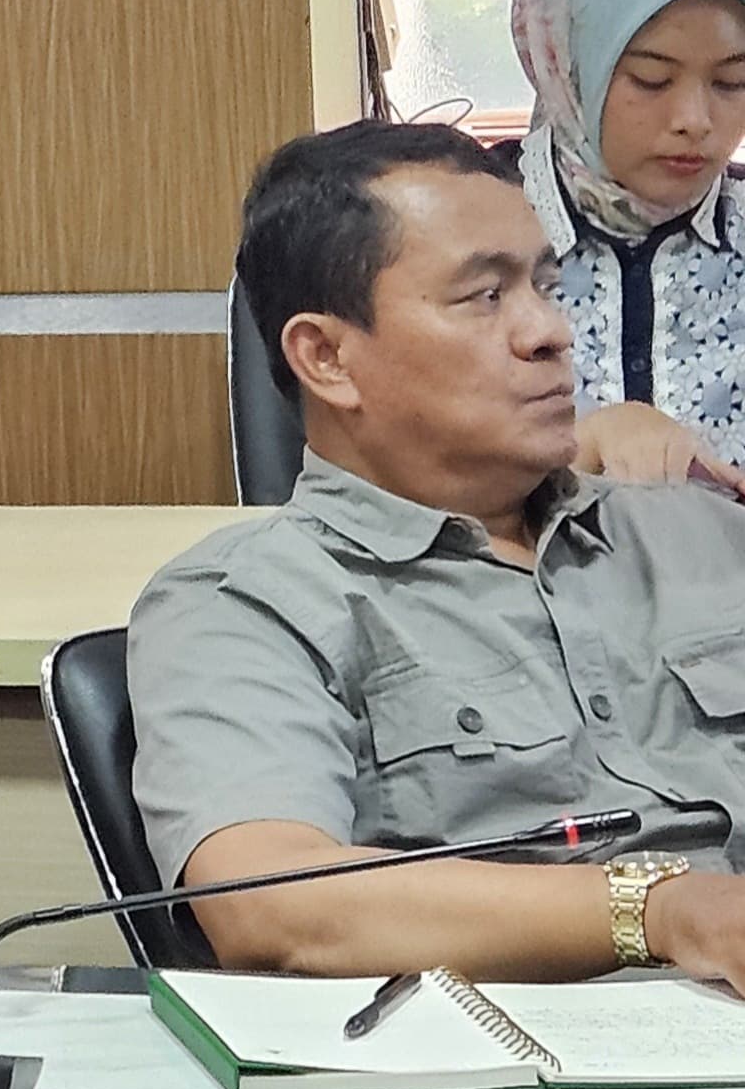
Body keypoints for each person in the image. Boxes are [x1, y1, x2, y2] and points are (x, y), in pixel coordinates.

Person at [129, 120, 745, 987]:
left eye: (545, 285)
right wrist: (663, 910)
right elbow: (270, 900)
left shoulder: (700, 533)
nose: (550, 332)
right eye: (485, 297)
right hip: (540, 1085)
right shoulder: (249, 599)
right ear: (328, 356)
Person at [504, 0, 745, 483]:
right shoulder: (466, 236)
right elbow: (405, 483)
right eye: (652, 79)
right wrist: (581, 449)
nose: (695, 119)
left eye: (732, 81)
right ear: (566, 64)